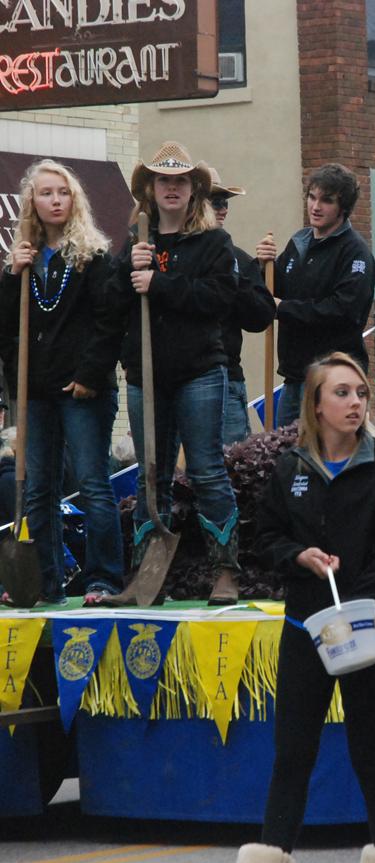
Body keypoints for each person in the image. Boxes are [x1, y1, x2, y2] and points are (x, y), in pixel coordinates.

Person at [227, 352, 375, 863]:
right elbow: (265, 539)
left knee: (370, 754)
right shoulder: (290, 466)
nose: (355, 402)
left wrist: (356, 609)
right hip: (303, 628)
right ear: (315, 404)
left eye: (360, 393)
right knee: (292, 754)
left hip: (370, 628)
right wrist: (299, 555)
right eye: (341, 393)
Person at [108, 142, 240, 603]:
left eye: (180, 181)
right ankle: (149, 576)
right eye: (163, 180)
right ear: (150, 188)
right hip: (146, 374)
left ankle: (225, 571)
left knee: (205, 470)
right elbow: (110, 303)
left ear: (193, 190)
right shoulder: (136, 243)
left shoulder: (213, 243)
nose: (171, 188)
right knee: (151, 474)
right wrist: (128, 268)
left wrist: (160, 284)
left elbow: (220, 300)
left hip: (199, 371)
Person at [0, 159, 124, 605]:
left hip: (81, 388)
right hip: (36, 389)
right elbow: (7, 328)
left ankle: (103, 578)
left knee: (92, 482)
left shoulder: (92, 257)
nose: (55, 200)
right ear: (31, 202)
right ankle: (44, 583)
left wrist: (90, 375)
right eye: (46, 192)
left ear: (75, 200)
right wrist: (12, 276)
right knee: (37, 489)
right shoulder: (25, 261)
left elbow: (109, 323)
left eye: (63, 192)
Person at [256, 163, 375, 427]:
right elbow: (271, 293)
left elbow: (344, 311)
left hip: (333, 379)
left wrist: (284, 308)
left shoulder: (355, 252)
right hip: (294, 375)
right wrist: (263, 265)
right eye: (312, 197)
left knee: (326, 457)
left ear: (343, 207)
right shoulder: (299, 242)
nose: (316, 206)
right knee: (288, 458)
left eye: (326, 200)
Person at [208, 168, 275, 443]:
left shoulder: (237, 259)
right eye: (215, 202)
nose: (223, 209)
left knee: (232, 471)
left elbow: (260, 317)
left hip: (226, 378)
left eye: (225, 202)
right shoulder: (168, 254)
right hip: (176, 381)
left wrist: (243, 274)